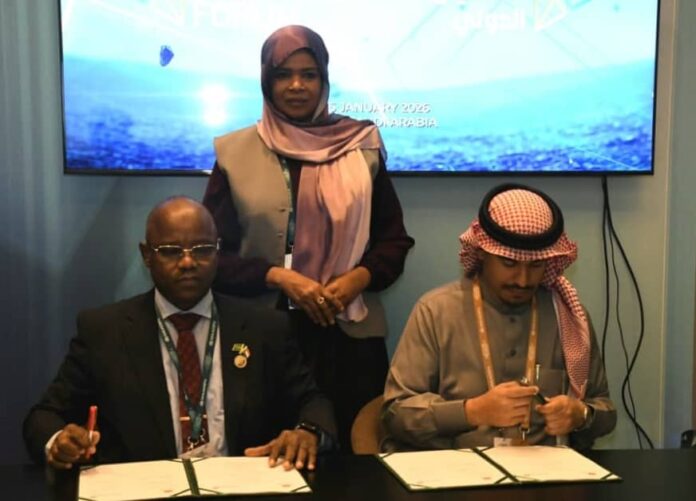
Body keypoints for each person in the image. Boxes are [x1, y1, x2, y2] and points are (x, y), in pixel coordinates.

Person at [203, 25, 414, 451]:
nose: (296, 86)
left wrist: (356, 279)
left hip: (348, 336)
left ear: (324, 79)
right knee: (268, 457)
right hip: (265, 335)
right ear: (266, 80)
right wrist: (279, 277)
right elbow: (213, 256)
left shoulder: (361, 146)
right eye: (283, 74)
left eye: (309, 74)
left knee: (355, 458)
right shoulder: (234, 152)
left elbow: (393, 242)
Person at [23, 196, 336, 470]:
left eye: (202, 249)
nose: (188, 262)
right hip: (145, 491)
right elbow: (44, 417)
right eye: (171, 251)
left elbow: (313, 401)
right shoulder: (103, 331)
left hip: (240, 486)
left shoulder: (264, 326)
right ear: (147, 255)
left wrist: (307, 432)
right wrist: (59, 441)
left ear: (217, 252)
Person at [382, 183, 616, 451]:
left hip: (543, 471)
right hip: (456, 469)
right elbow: (395, 414)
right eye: (509, 263)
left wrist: (581, 415)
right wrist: (471, 412)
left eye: (536, 265)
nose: (523, 280)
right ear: (482, 253)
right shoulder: (436, 311)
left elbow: (605, 411)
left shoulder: (568, 317)